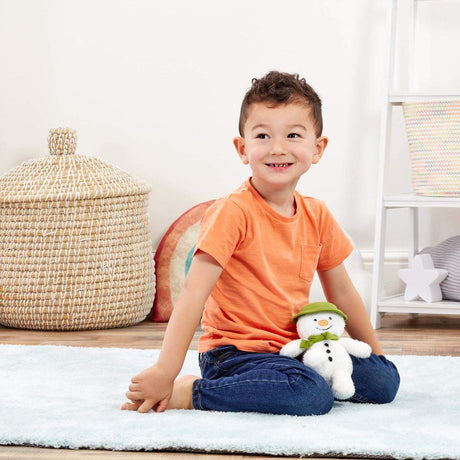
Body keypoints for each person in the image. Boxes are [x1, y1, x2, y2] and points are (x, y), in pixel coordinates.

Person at [122, 71, 400, 416]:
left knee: (385, 382)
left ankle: (294, 378)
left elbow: (342, 293)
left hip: (292, 348)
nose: (277, 148)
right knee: (309, 396)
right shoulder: (232, 211)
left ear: (317, 148)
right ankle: (194, 392)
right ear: (243, 148)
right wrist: (166, 371)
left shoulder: (317, 214)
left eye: (293, 135)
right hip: (233, 354)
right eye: (263, 136)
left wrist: (374, 354)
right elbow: (193, 295)